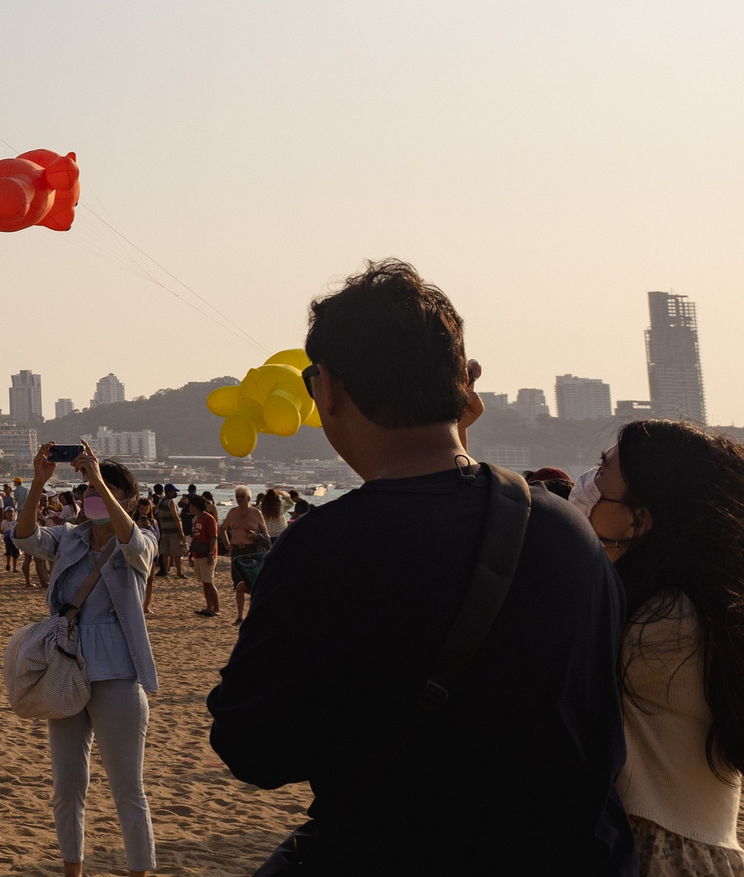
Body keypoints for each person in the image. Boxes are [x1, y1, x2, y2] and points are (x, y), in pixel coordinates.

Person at [207, 259, 632, 875]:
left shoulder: (325, 546)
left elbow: (253, 747)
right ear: (465, 383)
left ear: (325, 387)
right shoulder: (564, 530)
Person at [590, 420, 744, 873]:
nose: (590, 485)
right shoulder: (708, 609)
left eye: (603, 472)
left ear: (641, 519)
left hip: (652, 853)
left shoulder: (658, 625)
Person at [18, 448, 159, 877]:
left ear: (128, 501)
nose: (93, 497)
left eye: (104, 489)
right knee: (66, 788)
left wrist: (98, 479)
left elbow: (132, 542)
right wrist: (39, 483)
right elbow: (24, 537)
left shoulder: (140, 540)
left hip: (118, 671)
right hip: (66, 667)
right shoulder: (69, 538)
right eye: (89, 489)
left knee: (127, 791)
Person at [219, 485, 269, 625]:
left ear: (248, 498)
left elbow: (266, 534)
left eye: (242, 496)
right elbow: (222, 529)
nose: (240, 499)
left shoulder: (256, 513)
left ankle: (252, 615)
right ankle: (240, 616)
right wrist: (227, 544)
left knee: (253, 584)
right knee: (238, 584)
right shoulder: (232, 512)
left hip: (252, 550)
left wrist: (256, 535)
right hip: (237, 550)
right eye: (237, 497)